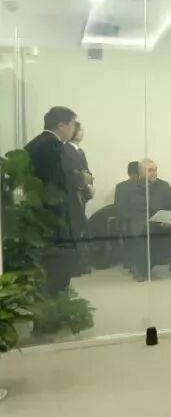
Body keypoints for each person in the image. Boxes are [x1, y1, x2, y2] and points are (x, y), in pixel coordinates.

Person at [24, 106, 80, 293]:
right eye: (72, 124)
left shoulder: (35, 144)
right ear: (61, 125)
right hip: (54, 216)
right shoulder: (53, 147)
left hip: (39, 213)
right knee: (57, 269)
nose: (74, 129)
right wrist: (80, 179)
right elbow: (58, 182)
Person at [119, 159, 171, 282]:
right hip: (136, 222)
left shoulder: (164, 186)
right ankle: (140, 268)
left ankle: (146, 267)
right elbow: (122, 210)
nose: (154, 173)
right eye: (150, 170)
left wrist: (169, 220)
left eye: (155, 170)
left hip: (160, 221)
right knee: (143, 230)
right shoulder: (125, 188)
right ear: (140, 172)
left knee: (160, 231)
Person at [61, 121, 94, 251]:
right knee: (74, 224)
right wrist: (84, 178)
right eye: (80, 130)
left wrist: (89, 184)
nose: (82, 133)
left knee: (79, 224)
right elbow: (70, 171)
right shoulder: (65, 149)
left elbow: (86, 171)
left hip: (82, 192)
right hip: (72, 192)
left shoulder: (80, 151)